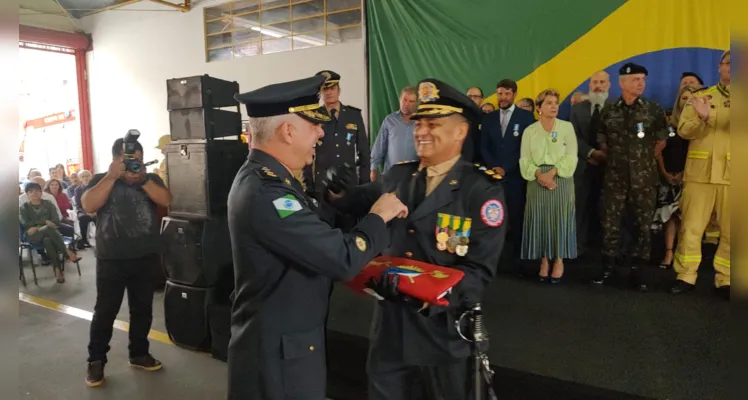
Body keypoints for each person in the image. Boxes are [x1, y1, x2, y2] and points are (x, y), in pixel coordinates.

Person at [226, 74, 408, 400]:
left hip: (282, 344)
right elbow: (339, 258)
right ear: (288, 131)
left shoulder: (273, 179)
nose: (322, 134)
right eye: (314, 125)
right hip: (279, 358)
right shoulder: (268, 193)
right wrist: (378, 217)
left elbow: (311, 243)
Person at [329, 78, 507, 399]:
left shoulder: (480, 189)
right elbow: (358, 199)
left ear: (460, 132)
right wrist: (337, 189)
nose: (421, 131)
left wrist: (425, 297)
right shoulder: (399, 175)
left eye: (433, 123)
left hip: (443, 336)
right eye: (418, 123)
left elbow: (479, 271)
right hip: (391, 332)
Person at [82, 138, 172, 387]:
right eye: (127, 160)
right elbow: (89, 204)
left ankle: (139, 353)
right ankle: (96, 360)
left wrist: (143, 179)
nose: (133, 164)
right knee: (105, 311)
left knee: (142, 310)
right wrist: (112, 177)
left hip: (145, 255)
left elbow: (166, 200)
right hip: (112, 257)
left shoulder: (150, 179)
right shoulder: (101, 178)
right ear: (114, 160)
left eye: (137, 159)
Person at [592, 63, 668, 292]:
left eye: (643, 79)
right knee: (610, 224)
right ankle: (608, 269)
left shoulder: (653, 109)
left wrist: (641, 161)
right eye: (636, 79)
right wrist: (618, 160)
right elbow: (602, 139)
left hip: (644, 180)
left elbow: (661, 141)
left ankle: (638, 273)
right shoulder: (609, 109)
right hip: (615, 178)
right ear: (622, 82)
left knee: (643, 227)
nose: (641, 83)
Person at [671, 50, 731, 298]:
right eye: (729, 63)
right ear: (719, 67)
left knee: (733, 232)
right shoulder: (700, 96)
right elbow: (684, 130)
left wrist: (711, 115)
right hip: (699, 174)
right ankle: (686, 275)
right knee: (692, 228)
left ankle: (726, 279)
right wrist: (702, 119)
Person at [519, 89, 578, 283]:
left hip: (561, 178)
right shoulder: (530, 131)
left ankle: (559, 260)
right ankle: (544, 260)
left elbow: (571, 156)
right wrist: (539, 175)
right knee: (541, 219)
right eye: (549, 103)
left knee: (559, 219)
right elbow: (525, 159)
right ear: (539, 108)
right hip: (536, 180)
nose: (554, 106)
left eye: (556, 103)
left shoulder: (566, 127)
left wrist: (551, 174)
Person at [303, 70, 371, 231]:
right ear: (320, 92)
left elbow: (364, 153)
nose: (329, 92)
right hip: (322, 187)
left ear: (338, 90)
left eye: (332, 87)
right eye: (325, 89)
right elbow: (307, 151)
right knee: (324, 232)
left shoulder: (353, 115)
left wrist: (364, 185)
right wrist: (308, 186)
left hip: (349, 186)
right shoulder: (313, 116)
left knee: (350, 231)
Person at [652, 86, 697, 268]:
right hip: (667, 176)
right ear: (678, 100)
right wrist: (665, 173)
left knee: (687, 218)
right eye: (683, 98)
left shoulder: (700, 125)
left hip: (691, 176)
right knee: (669, 216)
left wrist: (684, 174)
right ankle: (669, 253)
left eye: (690, 98)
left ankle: (685, 255)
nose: (686, 101)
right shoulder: (668, 124)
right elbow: (659, 151)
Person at [19, 182, 82, 283]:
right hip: (32, 235)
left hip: (49, 234)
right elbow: (26, 223)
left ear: (41, 192)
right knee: (48, 228)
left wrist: (39, 225)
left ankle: (58, 271)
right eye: (31, 191)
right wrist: (44, 222)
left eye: (37, 191)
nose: (34, 193)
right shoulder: (23, 208)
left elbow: (56, 220)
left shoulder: (48, 204)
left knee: (47, 240)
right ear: (27, 194)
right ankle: (67, 252)